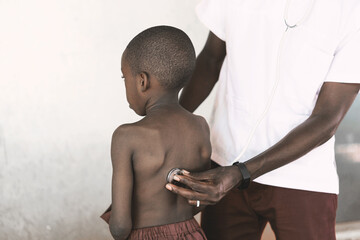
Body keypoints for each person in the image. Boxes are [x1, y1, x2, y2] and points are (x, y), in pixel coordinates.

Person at [165, 0, 360, 239]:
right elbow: (210, 59)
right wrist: (166, 127)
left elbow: (327, 119)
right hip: (223, 165)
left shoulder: (351, 10)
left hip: (302, 178)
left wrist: (241, 173)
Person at [102, 26, 211, 240]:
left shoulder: (127, 136)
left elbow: (121, 226)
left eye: (125, 78)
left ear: (142, 81)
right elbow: (199, 200)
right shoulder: (200, 126)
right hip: (193, 233)